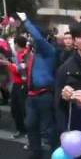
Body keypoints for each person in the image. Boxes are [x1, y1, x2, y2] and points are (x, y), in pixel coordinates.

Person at [16, 12, 58, 159]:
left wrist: (26, 21)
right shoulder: (32, 54)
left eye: (32, 37)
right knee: (30, 124)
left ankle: (56, 152)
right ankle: (36, 152)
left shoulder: (48, 51)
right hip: (31, 95)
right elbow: (22, 68)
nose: (31, 40)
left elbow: (38, 38)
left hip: (44, 95)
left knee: (48, 128)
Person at [0, 36, 29, 138]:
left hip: (23, 85)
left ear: (16, 44)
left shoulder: (25, 54)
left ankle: (27, 131)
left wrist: (7, 64)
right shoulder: (18, 54)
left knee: (23, 109)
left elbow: (20, 70)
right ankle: (20, 129)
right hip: (16, 84)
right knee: (14, 109)